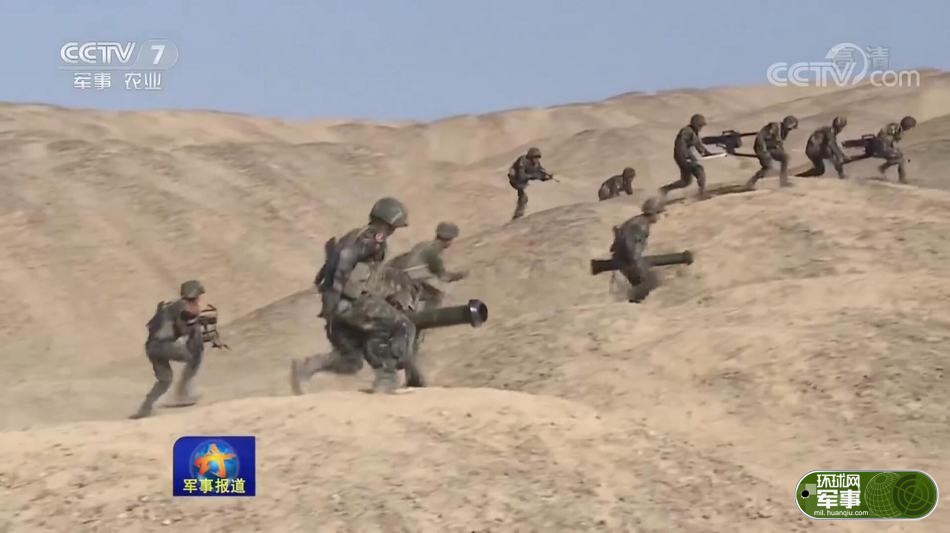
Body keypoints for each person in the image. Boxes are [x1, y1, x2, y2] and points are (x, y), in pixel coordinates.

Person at [292, 197, 419, 394]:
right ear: (389, 223)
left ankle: (307, 367)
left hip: (339, 304)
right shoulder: (372, 238)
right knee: (402, 325)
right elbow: (345, 260)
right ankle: (386, 378)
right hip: (351, 302)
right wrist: (337, 294)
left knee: (350, 360)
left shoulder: (355, 235)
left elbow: (357, 274)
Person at [130, 280, 226, 419]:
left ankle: (145, 409)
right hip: (164, 345)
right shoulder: (184, 307)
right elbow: (186, 327)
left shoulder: (170, 306)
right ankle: (182, 394)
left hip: (151, 347)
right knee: (195, 354)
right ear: (195, 295)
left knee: (165, 380)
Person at [387, 222, 468, 309]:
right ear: (448, 241)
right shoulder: (434, 253)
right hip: (405, 282)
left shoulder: (423, 245)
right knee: (436, 296)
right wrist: (460, 275)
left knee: (428, 289)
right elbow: (444, 277)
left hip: (394, 275)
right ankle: (426, 316)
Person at [610, 198, 661, 303]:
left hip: (622, 256)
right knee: (647, 283)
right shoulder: (642, 225)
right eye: (658, 213)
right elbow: (631, 247)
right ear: (653, 213)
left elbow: (619, 233)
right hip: (626, 258)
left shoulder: (637, 220)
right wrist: (636, 264)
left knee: (640, 284)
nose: (659, 217)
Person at [660, 114, 715, 200]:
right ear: (696, 124)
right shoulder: (687, 131)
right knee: (699, 170)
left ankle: (664, 189)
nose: (701, 128)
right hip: (682, 156)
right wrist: (687, 156)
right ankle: (701, 194)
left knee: (685, 181)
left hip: (683, 156)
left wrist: (707, 153)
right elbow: (681, 144)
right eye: (700, 125)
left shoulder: (693, 132)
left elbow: (698, 145)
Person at [746, 115, 798, 189]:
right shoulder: (774, 127)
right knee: (767, 167)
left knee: (785, 158)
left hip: (771, 149)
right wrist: (764, 151)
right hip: (761, 148)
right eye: (791, 128)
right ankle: (750, 183)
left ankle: (783, 182)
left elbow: (779, 143)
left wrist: (781, 152)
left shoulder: (784, 132)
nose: (791, 130)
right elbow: (760, 137)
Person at [507, 146, 554, 220]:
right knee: (523, 197)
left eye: (538, 157)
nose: (536, 159)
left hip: (524, 181)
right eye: (534, 157)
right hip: (515, 180)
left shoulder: (536, 163)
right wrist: (534, 176)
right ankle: (518, 215)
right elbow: (521, 176)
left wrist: (546, 176)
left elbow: (540, 171)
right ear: (530, 157)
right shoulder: (522, 161)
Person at [874, 115, 916, 183]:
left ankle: (883, 168)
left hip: (879, 145)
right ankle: (901, 179)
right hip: (882, 147)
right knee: (901, 160)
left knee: (900, 157)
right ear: (908, 126)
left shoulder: (895, 126)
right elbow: (885, 136)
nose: (910, 129)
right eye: (911, 127)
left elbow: (884, 134)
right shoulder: (898, 129)